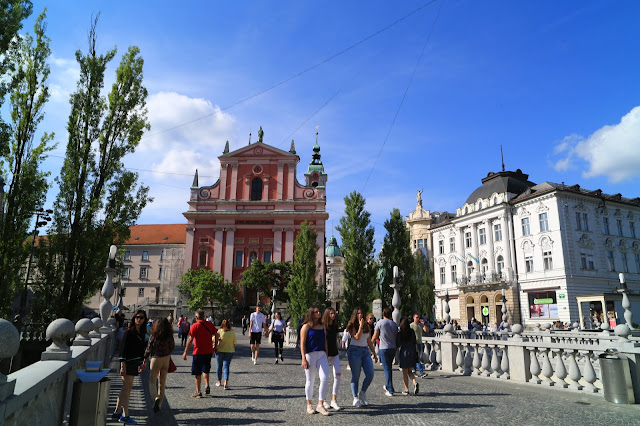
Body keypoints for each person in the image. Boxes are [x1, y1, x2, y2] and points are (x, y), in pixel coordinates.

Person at [112, 309, 147, 424]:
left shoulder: (142, 333)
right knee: (127, 389)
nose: (139, 319)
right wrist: (122, 366)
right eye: (137, 317)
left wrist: (141, 362)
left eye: (141, 318)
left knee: (125, 388)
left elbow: (140, 350)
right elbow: (122, 350)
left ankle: (117, 411)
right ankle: (125, 415)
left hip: (134, 363)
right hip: (126, 364)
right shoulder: (129, 332)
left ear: (144, 319)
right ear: (134, 318)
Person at [300, 306, 330, 416]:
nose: (319, 313)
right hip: (310, 354)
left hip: (321, 354)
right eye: (316, 312)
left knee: (325, 378)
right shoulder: (306, 327)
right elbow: (302, 343)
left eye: (319, 311)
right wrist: (303, 358)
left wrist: (326, 354)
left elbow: (325, 341)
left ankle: (320, 404)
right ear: (311, 314)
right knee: (310, 380)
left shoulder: (322, 326)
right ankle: (309, 404)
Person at [345, 307, 378, 407]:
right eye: (358, 313)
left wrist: (374, 353)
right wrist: (360, 327)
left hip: (365, 351)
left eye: (361, 313)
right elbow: (357, 337)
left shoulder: (367, 326)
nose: (360, 315)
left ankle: (362, 393)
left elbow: (369, 341)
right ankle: (355, 397)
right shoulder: (351, 325)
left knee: (370, 373)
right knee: (356, 375)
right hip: (354, 351)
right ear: (355, 315)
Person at [182, 309, 218, 398]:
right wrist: (215, 345)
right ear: (204, 316)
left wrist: (185, 352)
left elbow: (190, 339)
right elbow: (216, 334)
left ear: (196, 317)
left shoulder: (195, 326)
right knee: (206, 369)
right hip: (208, 351)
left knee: (197, 372)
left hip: (198, 352)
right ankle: (207, 385)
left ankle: (198, 391)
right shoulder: (209, 324)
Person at [144, 318, 175, 413]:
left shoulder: (154, 335)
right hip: (166, 358)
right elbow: (172, 346)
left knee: (152, 380)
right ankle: (159, 404)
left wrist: (145, 359)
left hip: (156, 358)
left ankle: (155, 398)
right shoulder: (169, 336)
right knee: (162, 382)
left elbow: (148, 348)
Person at [372, 307, 397, 396]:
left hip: (383, 347)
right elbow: (396, 336)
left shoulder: (380, 323)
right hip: (392, 347)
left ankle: (390, 390)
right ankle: (388, 386)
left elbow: (375, 336)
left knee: (386, 368)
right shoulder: (394, 324)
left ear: (383, 314)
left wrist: (369, 343)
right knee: (389, 368)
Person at [322, 307, 342, 411]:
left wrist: (337, 348)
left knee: (338, 374)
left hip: (334, 353)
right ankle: (324, 400)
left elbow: (335, 338)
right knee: (325, 377)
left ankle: (334, 400)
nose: (333, 315)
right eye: (331, 314)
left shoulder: (335, 326)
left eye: (334, 313)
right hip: (325, 354)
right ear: (327, 315)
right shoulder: (323, 326)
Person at [397, 317, 419, 395]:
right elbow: (415, 343)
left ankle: (406, 390)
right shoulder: (412, 331)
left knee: (405, 373)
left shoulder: (401, 333)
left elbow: (398, 344)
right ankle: (415, 382)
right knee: (410, 371)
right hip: (412, 351)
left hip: (404, 353)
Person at [215, 318, 236, 390]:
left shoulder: (219, 331)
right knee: (226, 367)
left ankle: (219, 381)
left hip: (219, 351)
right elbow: (234, 343)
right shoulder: (232, 332)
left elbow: (213, 339)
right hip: (229, 351)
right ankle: (226, 382)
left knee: (219, 366)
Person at [410, 314, 428, 378]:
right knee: (417, 358)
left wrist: (424, 324)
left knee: (416, 358)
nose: (418, 319)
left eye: (418, 317)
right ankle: (421, 371)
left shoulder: (420, 325)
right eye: (416, 317)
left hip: (420, 343)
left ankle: (414, 371)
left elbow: (426, 330)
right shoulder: (411, 325)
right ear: (413, 318)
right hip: (414, 343)